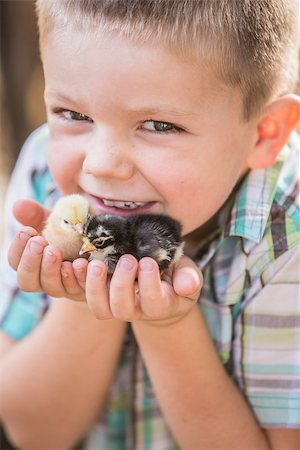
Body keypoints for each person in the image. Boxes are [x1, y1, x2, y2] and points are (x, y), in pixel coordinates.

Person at [0, 0, 299, 449]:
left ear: (264, 134)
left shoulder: (285, 236)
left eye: (158, 125)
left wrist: (167, 326)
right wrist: (87, 294)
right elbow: (32, 434)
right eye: (74, 115)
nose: (100, 166)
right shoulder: (47, 179)